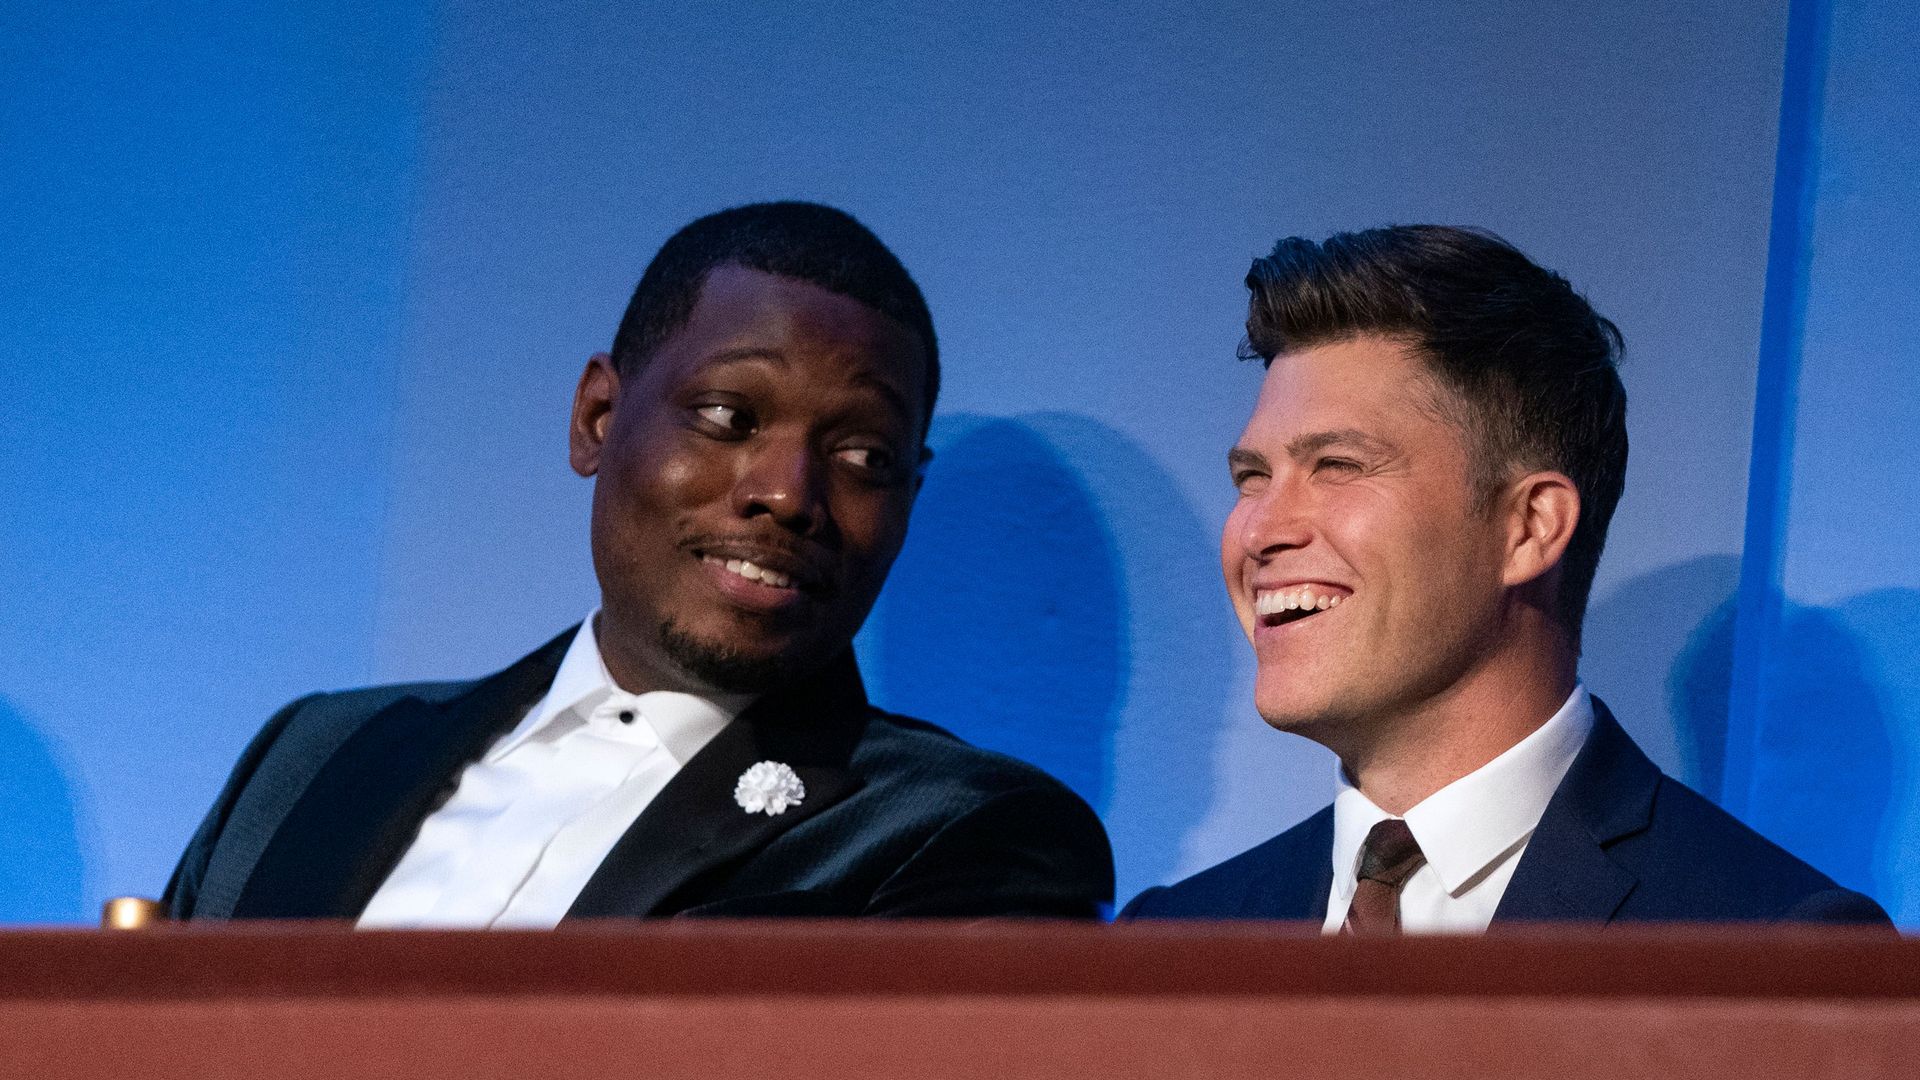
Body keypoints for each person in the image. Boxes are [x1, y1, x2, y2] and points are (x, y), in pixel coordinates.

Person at [166, 202, 1113, 924]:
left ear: (909, 497)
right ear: (598, 420)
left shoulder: (972, 834)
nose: (788, 494)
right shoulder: (314, 753)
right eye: (730, 418)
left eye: (864, 457)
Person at [1122, 225, 1888, 930]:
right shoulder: (1167, 942)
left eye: (1337, 466)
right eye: (1252, 478)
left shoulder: (1770, 949)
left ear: (1529, 528)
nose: (1259, 530)